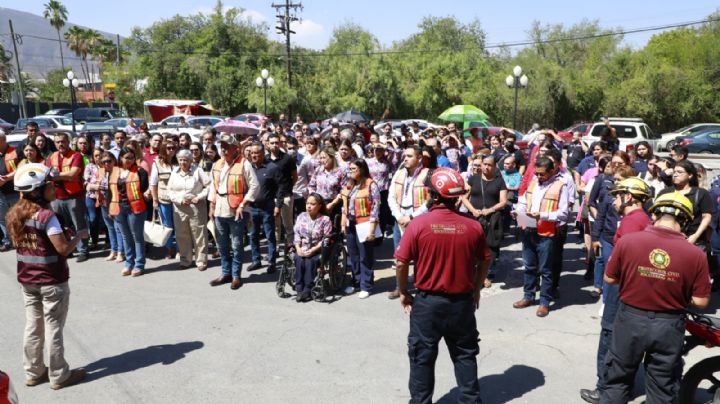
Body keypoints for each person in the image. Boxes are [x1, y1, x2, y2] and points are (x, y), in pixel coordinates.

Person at [601, 192, 710, 403]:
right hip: (668, 325)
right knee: (662, 387)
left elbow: (609, 278)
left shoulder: (629, 241)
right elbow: (702, 301)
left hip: (630, 319)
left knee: (617, 380)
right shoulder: (695, 254)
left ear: (654, 215)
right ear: (686, 220)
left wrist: (637, 280)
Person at [395, 167, 491, 404]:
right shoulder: (473, 226)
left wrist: (404, 292)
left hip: (427, 304)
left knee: (422, 358)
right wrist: (476, 289)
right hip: (462, 303)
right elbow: (485, 259)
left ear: (434, 195)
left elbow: (400, 262)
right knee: (465, 356)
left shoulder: (418, 225)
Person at [7, 163, 88, 389]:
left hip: (27, 280)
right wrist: (78, 237)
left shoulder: (14, 214)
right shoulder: (47, 217)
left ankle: (33, 371)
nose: (54, 187)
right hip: (52, 281)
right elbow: (62, 249)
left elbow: (21, 244)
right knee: (54, 328)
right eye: (49, 185)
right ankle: (59, 375)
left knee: (33, 326)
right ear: (37, 191)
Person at [579, 177, 652, 404]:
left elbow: (623, 261)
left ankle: (605, 388)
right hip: (630, 287)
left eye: (617, 196)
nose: (613, 201)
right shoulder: (641, 219)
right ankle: (622, 387)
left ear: (628, 197)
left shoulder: (631, 222)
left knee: (609, 335)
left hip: (621, 287)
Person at [513, 156, 569, 317]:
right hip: (528, 230)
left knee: (545, 269)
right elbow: (524, 202)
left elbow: (563, 214)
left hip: (547, 234)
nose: (538, 177)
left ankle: (544, 302)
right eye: (537, 174)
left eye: (542, 174)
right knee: (529, 266)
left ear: (552, 171)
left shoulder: (560, 186)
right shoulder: (533, 183)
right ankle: (528, 296)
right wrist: (518, 210)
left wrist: (542, 215)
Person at [207, 134, 258, 290]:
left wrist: (243, 204)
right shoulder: (217, 164)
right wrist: (211, 205)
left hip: (236, 211)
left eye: (227, 146)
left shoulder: (244, 164)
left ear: (236, 148)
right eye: (222, 146)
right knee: (222, 246)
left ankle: (236, 276)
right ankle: (225, 273)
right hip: (219, 209)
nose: (223, 149)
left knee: (236, 246)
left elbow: (255, 186)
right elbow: (212, 187)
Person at [387, 145, 430, 299]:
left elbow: (430, 201)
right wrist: (398, 216)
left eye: (410, 156)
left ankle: (420, 286)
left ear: (419, 159)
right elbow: (391, 197)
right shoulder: (398, 173)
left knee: (420, 256)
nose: (405, 158)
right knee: (400, 256)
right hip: (400, 218)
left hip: (418, 219)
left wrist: (412, 217)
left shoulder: (427, 174)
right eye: (405, 155)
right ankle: (400, 287)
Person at [462, 154, 507, 284]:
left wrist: (490, 210)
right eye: (484, 164)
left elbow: (503, 201)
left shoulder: (499, 180)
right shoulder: (474, 179)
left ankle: (487, 274)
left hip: (492, 218)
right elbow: (465, 197)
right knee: (473, 246)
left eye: (489, 165)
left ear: (494, 166)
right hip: (475, 218)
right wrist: (473, 211)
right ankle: (474, 272)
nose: (486, 167)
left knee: (490, 248)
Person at [341, 159, 381, 299]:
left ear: (362, 169)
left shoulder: (371, 184)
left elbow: (375, 208)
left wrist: (371, 230)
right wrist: (343, 223)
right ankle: (356, 281)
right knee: (353, 255)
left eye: (354, 169)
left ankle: (366, 285)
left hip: (364, 224)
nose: (350, 172)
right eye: (350, 169)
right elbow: (344, 205)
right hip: (350, 223)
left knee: (365, 255)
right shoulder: (350, 184)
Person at [47, 133, 89, 262]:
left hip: (74, 196)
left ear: (68, 142)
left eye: (63, 141)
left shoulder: (76, 156)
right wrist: (64, 175)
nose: (60, 144)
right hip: (56, 196)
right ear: (55, 143)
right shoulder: (51, 157)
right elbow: (47, 173)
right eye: (58, 142)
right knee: (62, 225)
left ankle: (83, 250)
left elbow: (73, 174)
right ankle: (68, 250)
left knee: (79, 224)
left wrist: (55, 176)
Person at [167, 149, 211, 271]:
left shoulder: (198, 171)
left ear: (191, 160)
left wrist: (199, 197)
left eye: (185, 160)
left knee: (199, 234)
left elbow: (208, 186)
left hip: (196, 207)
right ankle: (185, 260)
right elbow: (169, 191)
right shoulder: (174, 173)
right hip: (179, 207)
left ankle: (201, 260)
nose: (183, 162)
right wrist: (179, 200)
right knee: (182, 235)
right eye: (180, 160)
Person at [110, 147, 149, 276]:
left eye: (131, 158)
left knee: (137, 237)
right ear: (120, 158)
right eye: (126, 158)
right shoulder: (115, 171)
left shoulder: (140, 171)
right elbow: (110, 190)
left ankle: (139, 264)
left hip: (135, 208)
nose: (129, 160)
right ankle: (129, 263)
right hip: (119, 208)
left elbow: (143, 187)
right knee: (126, 237)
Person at [247, 142, 282, 274]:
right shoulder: (248, 167)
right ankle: (256, 260)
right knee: (253, 235)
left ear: (263, 153)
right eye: (252, 153)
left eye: (257, 153)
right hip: (252, 207)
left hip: (267, 207)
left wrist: (278, 205)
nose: (254, 155)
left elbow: (280, 188)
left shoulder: (272, 168)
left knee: (269, 235)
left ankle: (272, 262)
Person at [293, 193, 333, 302]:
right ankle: (299, 289)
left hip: (318, 249)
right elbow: (296, 233)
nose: (309, 206)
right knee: (299, 259)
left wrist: (314, 249)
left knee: (310, 262)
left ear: (319, 206)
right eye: (307, 203)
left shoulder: (325, 220)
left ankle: (307, 289)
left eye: (312, 204)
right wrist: (298, 248)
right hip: (302, 247)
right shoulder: (301, 216)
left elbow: (326, 239)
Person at [267, 133, 297, 251]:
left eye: (276, 142)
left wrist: (287, 188)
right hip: (271, 197)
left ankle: (290, 246)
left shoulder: (287, 158)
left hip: (285, 197)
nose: (275, 145)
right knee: (275, 225)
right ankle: (276, 247)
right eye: (272, 143)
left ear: (280, 143)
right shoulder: (265, 159)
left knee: (288, 224)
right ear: (268, 145)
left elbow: (294, 177)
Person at [92, 152, 124, 263]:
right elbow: (90, 185)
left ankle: (121, 251)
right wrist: (95, 186)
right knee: (110, 228)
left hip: (115, 202)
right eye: (104, 161)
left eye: (109, 161)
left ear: (114, 161)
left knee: (118, 228)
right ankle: (113, 250)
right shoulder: (100, 172)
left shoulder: (119, 171)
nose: (107, 163)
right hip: (104, 203)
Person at [150, 140, 178, 258]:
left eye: (173, 148)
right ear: (163, 150)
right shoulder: (157, 164)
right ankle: (169, 248)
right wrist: (155, 200)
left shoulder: (179, 162)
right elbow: (153, 183)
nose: (171, 150)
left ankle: (179, 249)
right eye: (169, 148)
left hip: (178, 200)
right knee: (167, 225)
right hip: (164, 200)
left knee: (179, 225)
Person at [0, 132, 19, 251]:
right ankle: (8, 241)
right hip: (0, 194)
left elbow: (20, 168)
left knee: (17, 217)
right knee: (2, 218)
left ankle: (21, 240)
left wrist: (6, 178)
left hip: (14, 191)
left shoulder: (14, 152)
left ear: (4, 140)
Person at [83, 147, 104, 249]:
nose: (98, 157)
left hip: (104, 197)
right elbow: (86, 181)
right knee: (93, 218)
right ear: (92, 157)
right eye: (96, 155)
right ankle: (94, 240)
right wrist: (92, 186)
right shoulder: (89, 167)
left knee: (106, 218)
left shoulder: (107, 166)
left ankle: (108, 241)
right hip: (91, 196)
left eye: (100, 155)